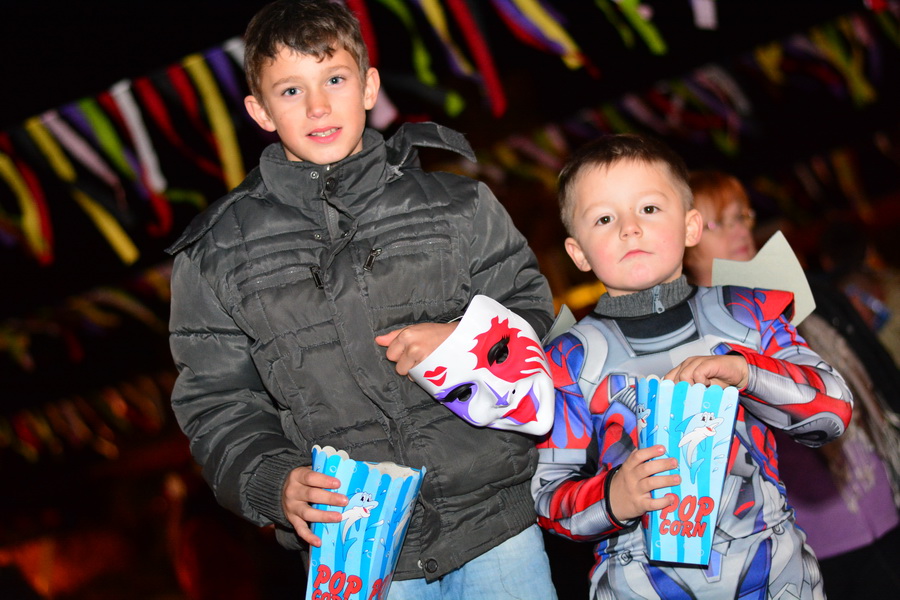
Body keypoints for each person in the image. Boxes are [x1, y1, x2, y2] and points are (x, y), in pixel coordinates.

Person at [165, 1, 558, 598]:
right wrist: (275, 479)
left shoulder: (460, 206)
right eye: (291, 90)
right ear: (260, 111)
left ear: (370, 85)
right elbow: (216, 401)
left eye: (335, 79)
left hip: (495, 524)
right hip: (354, 545)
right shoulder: (214, 255)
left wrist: (465, 342)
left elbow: (532, 313)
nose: (318, 106)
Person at [532, 134, 853, 599]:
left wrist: (747, 373)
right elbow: (546, 498)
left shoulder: (747, 315)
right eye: (604, 218)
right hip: (641, 582)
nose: (629, 228)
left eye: (648, 209)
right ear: (578, 253)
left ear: (690, 226)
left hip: (777, 575)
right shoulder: (569, 360)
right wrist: (614, 498)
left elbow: (833, 413)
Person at [684, 170, 900, 600]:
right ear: (685, 239)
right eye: (719, 222)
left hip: (883, 501)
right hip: (810, 540)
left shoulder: (809, 295)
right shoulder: (689, 339)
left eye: (742, 216)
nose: (741, 229)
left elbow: (879, 381)